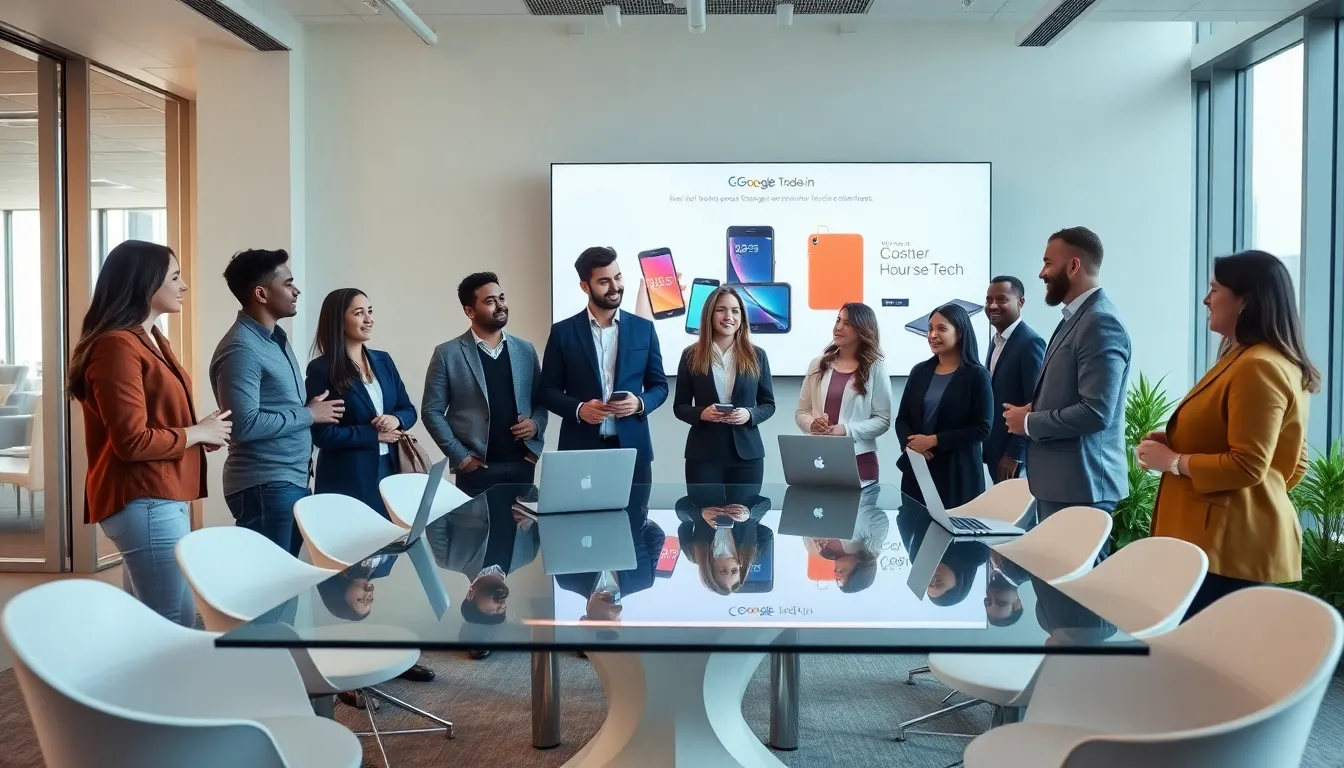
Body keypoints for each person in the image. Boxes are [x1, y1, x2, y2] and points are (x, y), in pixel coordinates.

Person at [1139, 250, 1317, 619]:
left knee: (1201, 663)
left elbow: (1250, 465)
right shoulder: (1250, 358)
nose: (1206, 298)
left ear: (1245, 300)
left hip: (1225, 549)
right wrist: (1180, 445)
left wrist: (1173, 462)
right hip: (1219, 540)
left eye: (1214, 288)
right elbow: (1291, 461)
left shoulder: (1258, 366)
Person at [69, 240, 229, 625]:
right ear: (145, 284)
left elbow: (154, 419)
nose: (184, 285)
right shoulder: (117, 346)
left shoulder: (153, 339)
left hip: (160, 494)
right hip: (145, 497)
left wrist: (199, 432)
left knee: (151, 620)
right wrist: (193, 432)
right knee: (173, 621)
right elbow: (131, 441)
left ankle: (140, 686)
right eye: (175, 277)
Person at [210, 249, 344, 556]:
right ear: (261, 293)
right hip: (266, 486)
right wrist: (308, 415)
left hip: (286, 482)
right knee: (272, 588)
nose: (296, 290)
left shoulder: (275, 338)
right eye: (288, 283)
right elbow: (243, 425)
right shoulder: (241, 349)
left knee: (285, 585)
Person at [1003, 227, 1131, 523]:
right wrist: (1032, 409)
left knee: (1074, 572)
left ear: (1073, 266)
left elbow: (1096, 412)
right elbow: (1069, 393)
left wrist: (1028, 422)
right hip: (1062, 485)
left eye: (1048, 263)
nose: (1041, 273)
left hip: (1082, 487)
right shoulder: (1077, 318)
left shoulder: (1101, 323)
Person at [540, 247, 669, 490]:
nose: (615, 287)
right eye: (604, 281)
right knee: (581, 526)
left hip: (633, 452)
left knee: (633, 525)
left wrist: (639, 403)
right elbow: (547, 391)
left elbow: (659, 386)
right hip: (579, 451)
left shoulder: (644, 329)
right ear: (585, 286)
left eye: (618, 277)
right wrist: (579, 409)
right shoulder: (562, 332)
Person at [422, 272, 547, 497]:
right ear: (469, 311)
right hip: (476, 469)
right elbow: (432, 411)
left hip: (523, 464)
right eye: (490, 301)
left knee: (523, 532)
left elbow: (541, 400)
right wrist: (461, 457)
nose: (500, 305)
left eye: (501, 298)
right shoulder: (447, 354)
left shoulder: (525, 350)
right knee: (478, 532)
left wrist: (536, 426)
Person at [305, 289, 417, 515]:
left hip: (391, 470)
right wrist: (373, 434)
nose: (369, 319)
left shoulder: (383, 360)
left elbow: (408, 409)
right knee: (358, 547)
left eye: (370, 311)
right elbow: (322, 435)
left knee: (391, 543)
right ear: (339, 320)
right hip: (348, 477)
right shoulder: (322, 369)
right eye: (359, 313)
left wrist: (396, 419)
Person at [672, 286, 776, 484]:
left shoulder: (757, 356)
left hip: (747, 456)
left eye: (735, 311)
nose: (729, 316)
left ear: (742, 317)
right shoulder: (691, 355)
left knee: (745, 513)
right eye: (721, 310)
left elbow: (768, 405)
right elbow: (680, 407)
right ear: (710, 314)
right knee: (704, 513)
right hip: (703, 455)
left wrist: (749, 414)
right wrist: (702, 414)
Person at [895, 302, 993, 508]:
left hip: (957, 477)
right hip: (918, 472)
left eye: (942, 328)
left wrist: (933, 440)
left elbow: (982, 428)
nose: (932, 335)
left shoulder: (977, 375)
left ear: (960, 333)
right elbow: (902, 419)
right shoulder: (919, 372)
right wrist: (912, 445)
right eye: (930, 328)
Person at [795, 303, 892, 485]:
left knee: (859, 513)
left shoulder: (876, 368)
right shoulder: (817, 364)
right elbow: (801, 413)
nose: (838, 327)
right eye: (838, 320)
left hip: (860, 460)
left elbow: (883, 420)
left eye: (847, 323)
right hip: (818, 458)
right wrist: (812, 425)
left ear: (863, 328)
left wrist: (845, 430)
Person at [983, 276, 1046, 483]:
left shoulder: (1030, 343)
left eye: (1001, 299)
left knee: (1018, 515)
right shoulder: (996, 341)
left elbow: (1035, 402)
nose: (993, 305)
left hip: (1014, 457)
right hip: (995, 449)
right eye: (988, 299)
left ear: (1021, 302)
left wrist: (1015, 453)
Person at [674, 485, 772, 595]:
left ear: (710, 570)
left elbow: (682, 514)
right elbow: (765, 509)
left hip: (705, 486)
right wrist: (749, 515)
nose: (729, 566)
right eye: (734, 571)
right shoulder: (751, 553)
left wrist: (700, 514)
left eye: (723, 571)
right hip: (744, 486)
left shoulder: (693, 553)